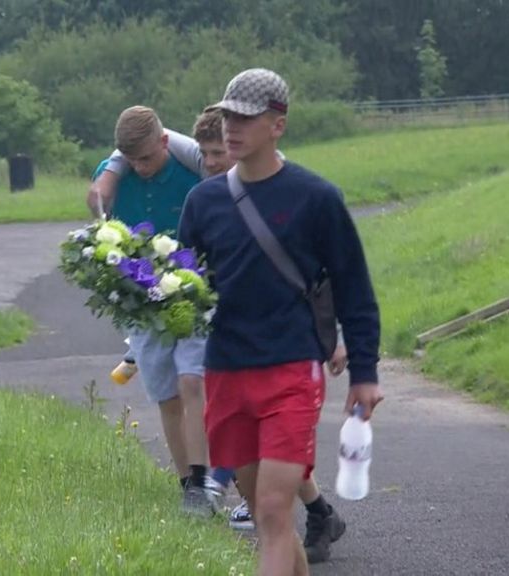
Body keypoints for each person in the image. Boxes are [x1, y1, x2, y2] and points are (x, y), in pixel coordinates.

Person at [98, 109, 350, 563]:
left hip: (274, 343)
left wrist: (341, 339)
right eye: (209, 154)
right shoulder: (205, 194)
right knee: (239, 437)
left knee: (245, 437)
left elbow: (323, 269)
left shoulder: (266, 188)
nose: (213, 162)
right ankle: (309, 508)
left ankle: (249, 495)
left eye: (220, 153)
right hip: (211, 322)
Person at [178, 69, 383, 576]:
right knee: (275, 523)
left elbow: (354, 287)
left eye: (246, 117)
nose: (232, 127)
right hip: (225, 370)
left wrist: (364, 371)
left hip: (291, 371)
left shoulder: (316, 198)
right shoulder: (202, 202)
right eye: (227, 115)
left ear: (278, 125)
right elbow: (180, 282)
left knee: (270, 510)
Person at [86, 105, 214, 517]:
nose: (141, 167)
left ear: (163, 142)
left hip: (193, 293)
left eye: (147, 158)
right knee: (166, 394)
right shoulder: (116, 178)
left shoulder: (190, 171)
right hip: (143, 302)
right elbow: (99, 205)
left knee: (193, 380)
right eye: (132, 160)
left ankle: (201, 477)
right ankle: (186, 485)